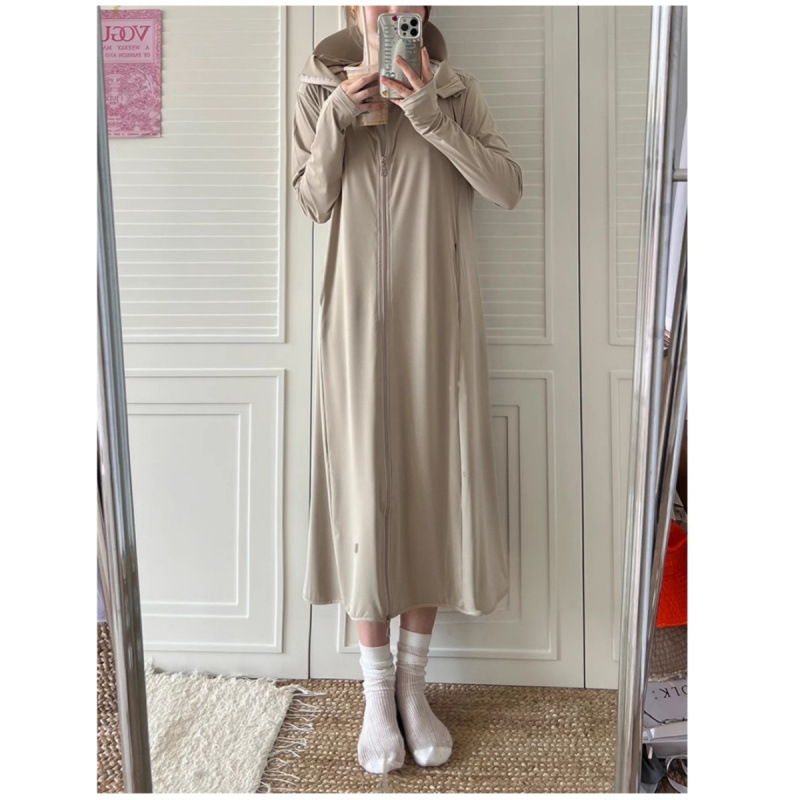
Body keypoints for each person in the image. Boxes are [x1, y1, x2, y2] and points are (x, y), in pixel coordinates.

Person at [291, 5, 523, 779]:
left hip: (438, 321)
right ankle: (375, 694)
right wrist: (338, 115)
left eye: (409, 5)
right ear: (353, 9)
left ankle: (414, 690)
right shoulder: (314, 91)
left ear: (424, 13)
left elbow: (507, 188)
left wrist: (427, 112)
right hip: (354, 326)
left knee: (427, 489)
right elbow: (313, 201)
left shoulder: (456, 91)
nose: (394, 11)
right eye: (378, 3)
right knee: (363, 495)